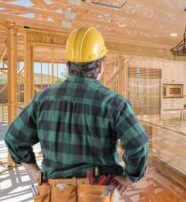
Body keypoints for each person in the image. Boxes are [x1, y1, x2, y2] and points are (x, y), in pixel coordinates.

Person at [5, 27, 149, 200]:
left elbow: (14, 138)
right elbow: (138, 146)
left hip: (55, 192)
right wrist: (129, 178)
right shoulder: (115, 103)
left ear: (68, 65)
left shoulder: (42, 99)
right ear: (100, 66)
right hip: (99, 191)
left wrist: (37, 174)